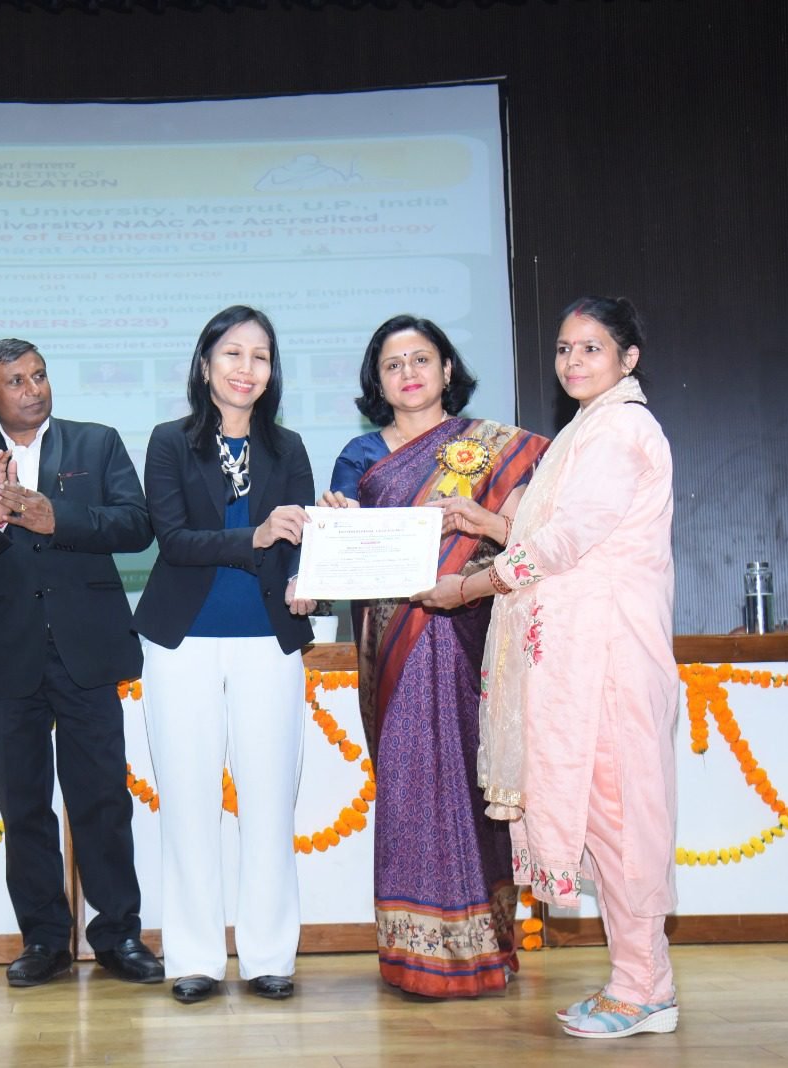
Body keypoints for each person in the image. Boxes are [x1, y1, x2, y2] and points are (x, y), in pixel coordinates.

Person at [414, 297, 679, 1039]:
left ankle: (644, 990)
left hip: (609, 659)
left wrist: (467, 587)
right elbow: (569, 535)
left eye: (591, 348)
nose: (573, 361)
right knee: (606, 820)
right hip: (579, 661)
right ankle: (640, 981)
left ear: (627, 358)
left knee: (622, 824)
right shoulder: (588, 429)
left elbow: (562, 547)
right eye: (565, 349)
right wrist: (491, 523)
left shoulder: (620, 430)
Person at [320, 315, 548, 998]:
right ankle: (412, 957)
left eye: (421, 359)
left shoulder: (494, 448)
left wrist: (484, 526)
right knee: (409, 789)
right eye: (393, 365)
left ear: (447, 369)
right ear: (378, 381)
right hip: (395, 647)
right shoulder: (361, 456)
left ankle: (484, 949)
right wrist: (336, 526)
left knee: (476, 789)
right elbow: (345, 553)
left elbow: (535, 538)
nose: (409, 373)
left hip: (472, 638)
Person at [0, 338, 163, 988]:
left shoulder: (97, 443)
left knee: (102, 801)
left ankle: (118, 936)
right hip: (10, 658)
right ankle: (44, 941)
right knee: (25, 807)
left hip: (87, 650)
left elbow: (136, 525)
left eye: (39, 376)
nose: (33, 389)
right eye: (16, 381)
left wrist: (54, 516)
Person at [131, 306, 316, 1004]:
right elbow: (175, 541)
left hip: (269, 641)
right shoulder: (169, 442)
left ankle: (270, 956)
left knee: (270, 801)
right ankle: (195, 958)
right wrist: (257, 536)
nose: (247, 368)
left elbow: (299, 546)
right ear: (206, 364)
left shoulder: (288, 447)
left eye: (260, 356)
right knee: (187, 801)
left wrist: (310, 572)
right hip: (181, 642)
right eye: (233, 353)